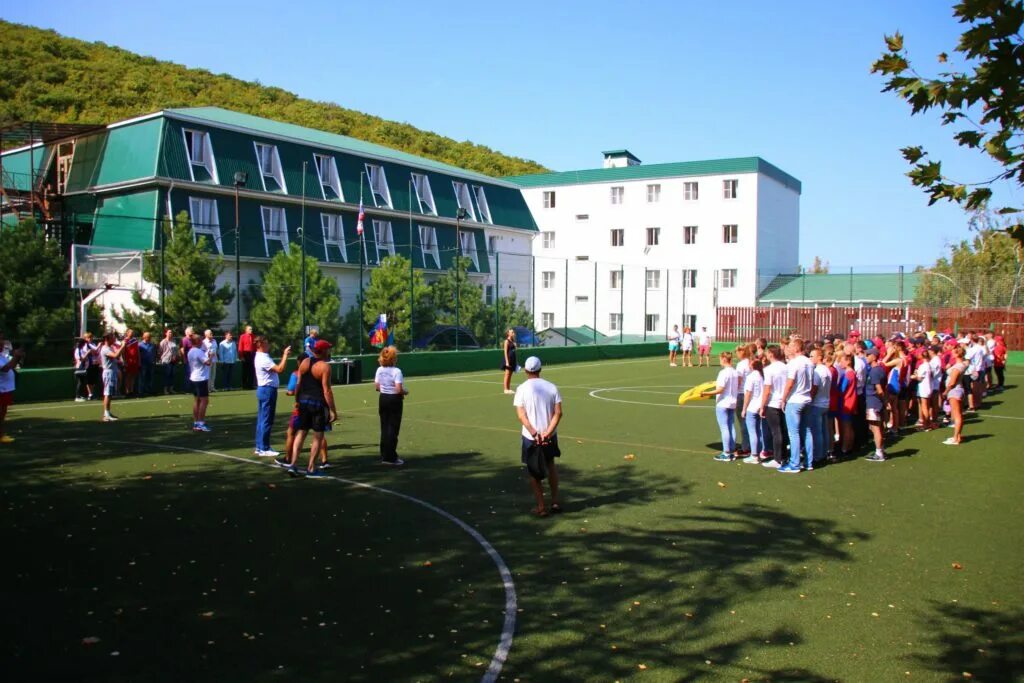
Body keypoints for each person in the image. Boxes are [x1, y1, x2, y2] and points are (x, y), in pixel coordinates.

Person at [513, 356, 563, 516]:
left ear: (526, 371)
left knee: (534, 472)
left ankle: (541, 507)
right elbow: (558, 413)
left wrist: (534, 433)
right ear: (540, 369)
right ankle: (554, 502)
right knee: (551, 466)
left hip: (530, 437)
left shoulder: (521, 389)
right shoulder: (552, 387)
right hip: (550, 435)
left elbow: (521, 415)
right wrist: (547, 433)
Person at [289, 339, 337, 478]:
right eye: (328, 349)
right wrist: (333, 410)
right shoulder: (325, 367)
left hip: (303, 402)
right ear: (322, 351)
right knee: (318, 436)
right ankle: (311, 468)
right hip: (317, 404)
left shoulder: (304, 362)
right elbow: (326, 390)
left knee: (301, 433)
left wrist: (297, 401)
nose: (329, 352)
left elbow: (298, 384)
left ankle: (293, 465)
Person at [778, 337, 813, 474]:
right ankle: (809, 462)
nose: (789, 348)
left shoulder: (795, 363)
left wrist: (783, 398)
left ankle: (795, 463)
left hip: (795, 399)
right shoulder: (808, 362)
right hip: (806, 398)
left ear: (796, 348)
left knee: (794, 433)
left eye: (791, 346)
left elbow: (790, 382)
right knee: (807, 431)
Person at [253, 335, 292, 457]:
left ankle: (260, 446)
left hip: (263, 389)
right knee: (266, 419)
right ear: (261, 344)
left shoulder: (261, 356)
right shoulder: (263, 358)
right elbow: (280, 369)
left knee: (262, 419)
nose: (268, 344)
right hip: (267, 390)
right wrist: (285, 355)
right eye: (266, 342)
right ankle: (264, 447)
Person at [375, 345, 409, 465]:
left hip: (383, 398)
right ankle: (391, 457)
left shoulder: (379, 370)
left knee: (384, 427)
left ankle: (384, 455)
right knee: (393, 428)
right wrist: (405, 391)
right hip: (394, 400)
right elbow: (399, 389)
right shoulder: (397, 371)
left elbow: (377, 387)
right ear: (393, 358)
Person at [704, 351, 739, 461]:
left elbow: (720, 389)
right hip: (732, 402)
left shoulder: (724, 373)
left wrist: (706, 394)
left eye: (720, 359)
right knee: (730, 426)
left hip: (723, 403)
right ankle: (732, 450)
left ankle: (726, 452)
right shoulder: (735, 372)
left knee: (724, 428)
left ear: (724, 359)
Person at [760, 345, 787, 469]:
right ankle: (783, 456)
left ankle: (778, 458)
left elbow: (767, 389)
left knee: (776, 431)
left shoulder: (769, 369)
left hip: (773, 402)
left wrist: (762, 405)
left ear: (771, 354)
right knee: (782, 430)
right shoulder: (785, 367)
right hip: (783, 401)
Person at [863, 348, 888, 462]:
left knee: (875, 427)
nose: (866, 357)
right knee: (878, 427)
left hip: (873, 402)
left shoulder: (874, 371)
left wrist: (884, 401)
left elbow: (879, 389)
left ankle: (879, 453)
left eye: (868, 355)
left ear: (873, 356)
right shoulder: (880, 369)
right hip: (876, 402)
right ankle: (881, 450)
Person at [740, 356, 766, 464]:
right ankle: (759, 452)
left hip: (753, 406)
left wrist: (744, 408)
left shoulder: (751, 377)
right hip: (760, 405)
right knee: (759, 431)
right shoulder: (762, 375)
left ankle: (754, 455)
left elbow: (748, 393)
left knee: (752, 432)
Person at [809, 347, 832, 469]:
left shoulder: (817, 371)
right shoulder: (827, 370)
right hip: (825, 403)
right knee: (824, 430)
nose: (810, 358)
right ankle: (824, 453)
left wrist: (809, 400)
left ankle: (818, 456)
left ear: (820, 357)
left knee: (817, 431)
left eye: (812, 356)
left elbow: (815, 388)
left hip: (817, 404)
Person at [186, 330, 213, 432]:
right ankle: (200, 423)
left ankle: (196, 422)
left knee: (197, 400)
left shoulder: (191, 351)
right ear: (197, 341)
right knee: (204, 401)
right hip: (200, 378)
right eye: (200, 340)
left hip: (194, 378)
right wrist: (211, 356)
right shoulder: (198, 352)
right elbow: (208, 363)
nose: (202, 341)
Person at [942, 345, 967, 446]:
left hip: (954, 391)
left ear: (957, 353)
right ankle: (957, 436)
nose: (951, 353)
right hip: (959, 390)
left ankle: (956, 438)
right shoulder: (962, 364)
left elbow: (952, 383)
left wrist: (945, 392)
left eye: (953, 352)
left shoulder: (957, 367)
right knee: (959, 415)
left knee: (957, 416)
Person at [0, 344, 24, 443]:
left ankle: (1, 434)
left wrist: (18, 357)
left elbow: (11, 365)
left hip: (5, 389)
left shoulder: (2, 355)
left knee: (3, 412)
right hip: (1, 389)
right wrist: (16, 356)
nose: (2, 342)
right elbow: (5, 369)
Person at [99, 332, 125, 422]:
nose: (113, 339)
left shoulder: (109, 347)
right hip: (108, 372)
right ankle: (106, 415)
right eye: (112, 337)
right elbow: (115, 355)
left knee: (110, 394)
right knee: (107, 393)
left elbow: (116, 357)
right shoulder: (105, 349)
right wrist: (122, 346)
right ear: (107, 339)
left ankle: (108, 413)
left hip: (112, 371)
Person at [73, 336, 95, 402]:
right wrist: (87, 353)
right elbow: (82, 359)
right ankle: (77, 396)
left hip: (83, 367)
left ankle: (79, 395)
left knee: (82, 382)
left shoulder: (81, 349)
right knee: (80, 382)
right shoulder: (78, 350)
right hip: (80, 368)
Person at [158, 329, 179, 394]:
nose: (170, 333)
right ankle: (165, 390)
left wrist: (176, 356)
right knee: (167, 375)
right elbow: (160, 352)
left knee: (173, 375)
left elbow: (176, 350)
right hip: (166, 361)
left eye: (171, 332)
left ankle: (171, 389)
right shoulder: (163, 342)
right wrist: (162, 359)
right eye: (169, 332)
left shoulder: (174, 341)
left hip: (174, 360)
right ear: (166, 334)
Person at [121, 328, 140, 397]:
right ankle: (127, 391)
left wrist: (139, 360)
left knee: (133, 376)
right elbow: (122, 352)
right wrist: (124, 361)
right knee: (128, 376)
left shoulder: (135, 340)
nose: (132, 333)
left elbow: (137, 351)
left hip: (135, 361)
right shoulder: (125, 341)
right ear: (127, 333)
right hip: (128, 360)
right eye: (131, 332)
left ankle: (131, 391)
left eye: (133, 332)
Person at [138, 331, 156, 396]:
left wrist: (154, 360)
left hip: (151, 363)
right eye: (148, 337)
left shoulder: (152, 345)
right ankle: (141, 391)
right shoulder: (140, 345)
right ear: (144, 337)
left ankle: (149, 390)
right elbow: (138, 355)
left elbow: (154, 353)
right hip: (143, 364)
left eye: (150, 337)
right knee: (142, 377)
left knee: (150, 377)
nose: (149, 338)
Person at [501, 328, 518, 395]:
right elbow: (505, 352)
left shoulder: (513, 341)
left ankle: (508, 388)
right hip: (508, 360)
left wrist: (515, 346)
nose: (513, 333)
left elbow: (515, 351)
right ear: (508, 333)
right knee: (507, 374)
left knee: (510, 374)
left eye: (513, 332)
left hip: (513, 360)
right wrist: (507, 362)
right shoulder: (506, 341)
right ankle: (505, 389)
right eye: (512, 332)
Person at [238, 325, 256, 390]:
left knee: (252, 371)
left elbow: (255, 346)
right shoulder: (242, 336)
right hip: (245, 354)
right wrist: (241, 356)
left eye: (251, 329)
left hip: (252, 354)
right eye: (250, 329)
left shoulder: (253, 336)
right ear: (246, 330)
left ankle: (250, 385)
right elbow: (240, 347)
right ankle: (244, 385)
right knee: (245, 371)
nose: (251, 330)